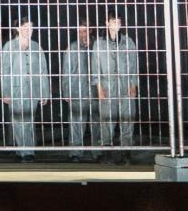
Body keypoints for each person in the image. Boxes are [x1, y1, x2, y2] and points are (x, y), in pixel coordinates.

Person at [91, 11, 140, 161]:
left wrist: (134, 85)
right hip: (107, 86)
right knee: (107, 121)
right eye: (113, 22)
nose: (116, 25)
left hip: (125, 86)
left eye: (118, 22)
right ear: (107, 23)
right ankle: (107, 150)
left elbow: (134, 65)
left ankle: (126, 150)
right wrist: (99, 88)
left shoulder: (128, 42)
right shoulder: (99, 43)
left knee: (128, 119)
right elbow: (95, 68)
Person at [0, 18, 50, 161]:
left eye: (31, 27)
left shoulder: (36, 46)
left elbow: (43, 71)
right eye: (25, 27)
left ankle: (27, 151)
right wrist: (5, 92)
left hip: (32, 89)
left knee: (29, 120)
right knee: (18, 121)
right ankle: (24, 151)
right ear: (18, 29)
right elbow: (4, 71)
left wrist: (44, 92)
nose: (28, 30)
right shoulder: (9, 46)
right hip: (15, 89)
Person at [59, 22, 96, 161]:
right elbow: (66, 72)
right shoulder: (72, 48)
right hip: (77, 90)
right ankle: (75, 153)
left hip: (95, 90)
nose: (82, 34)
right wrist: (66, 91)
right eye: (79, 31)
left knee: (97, 122)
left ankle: (98, 152)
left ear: (90, 30)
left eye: (85, 31)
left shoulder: (98, 46)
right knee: (76, 122)